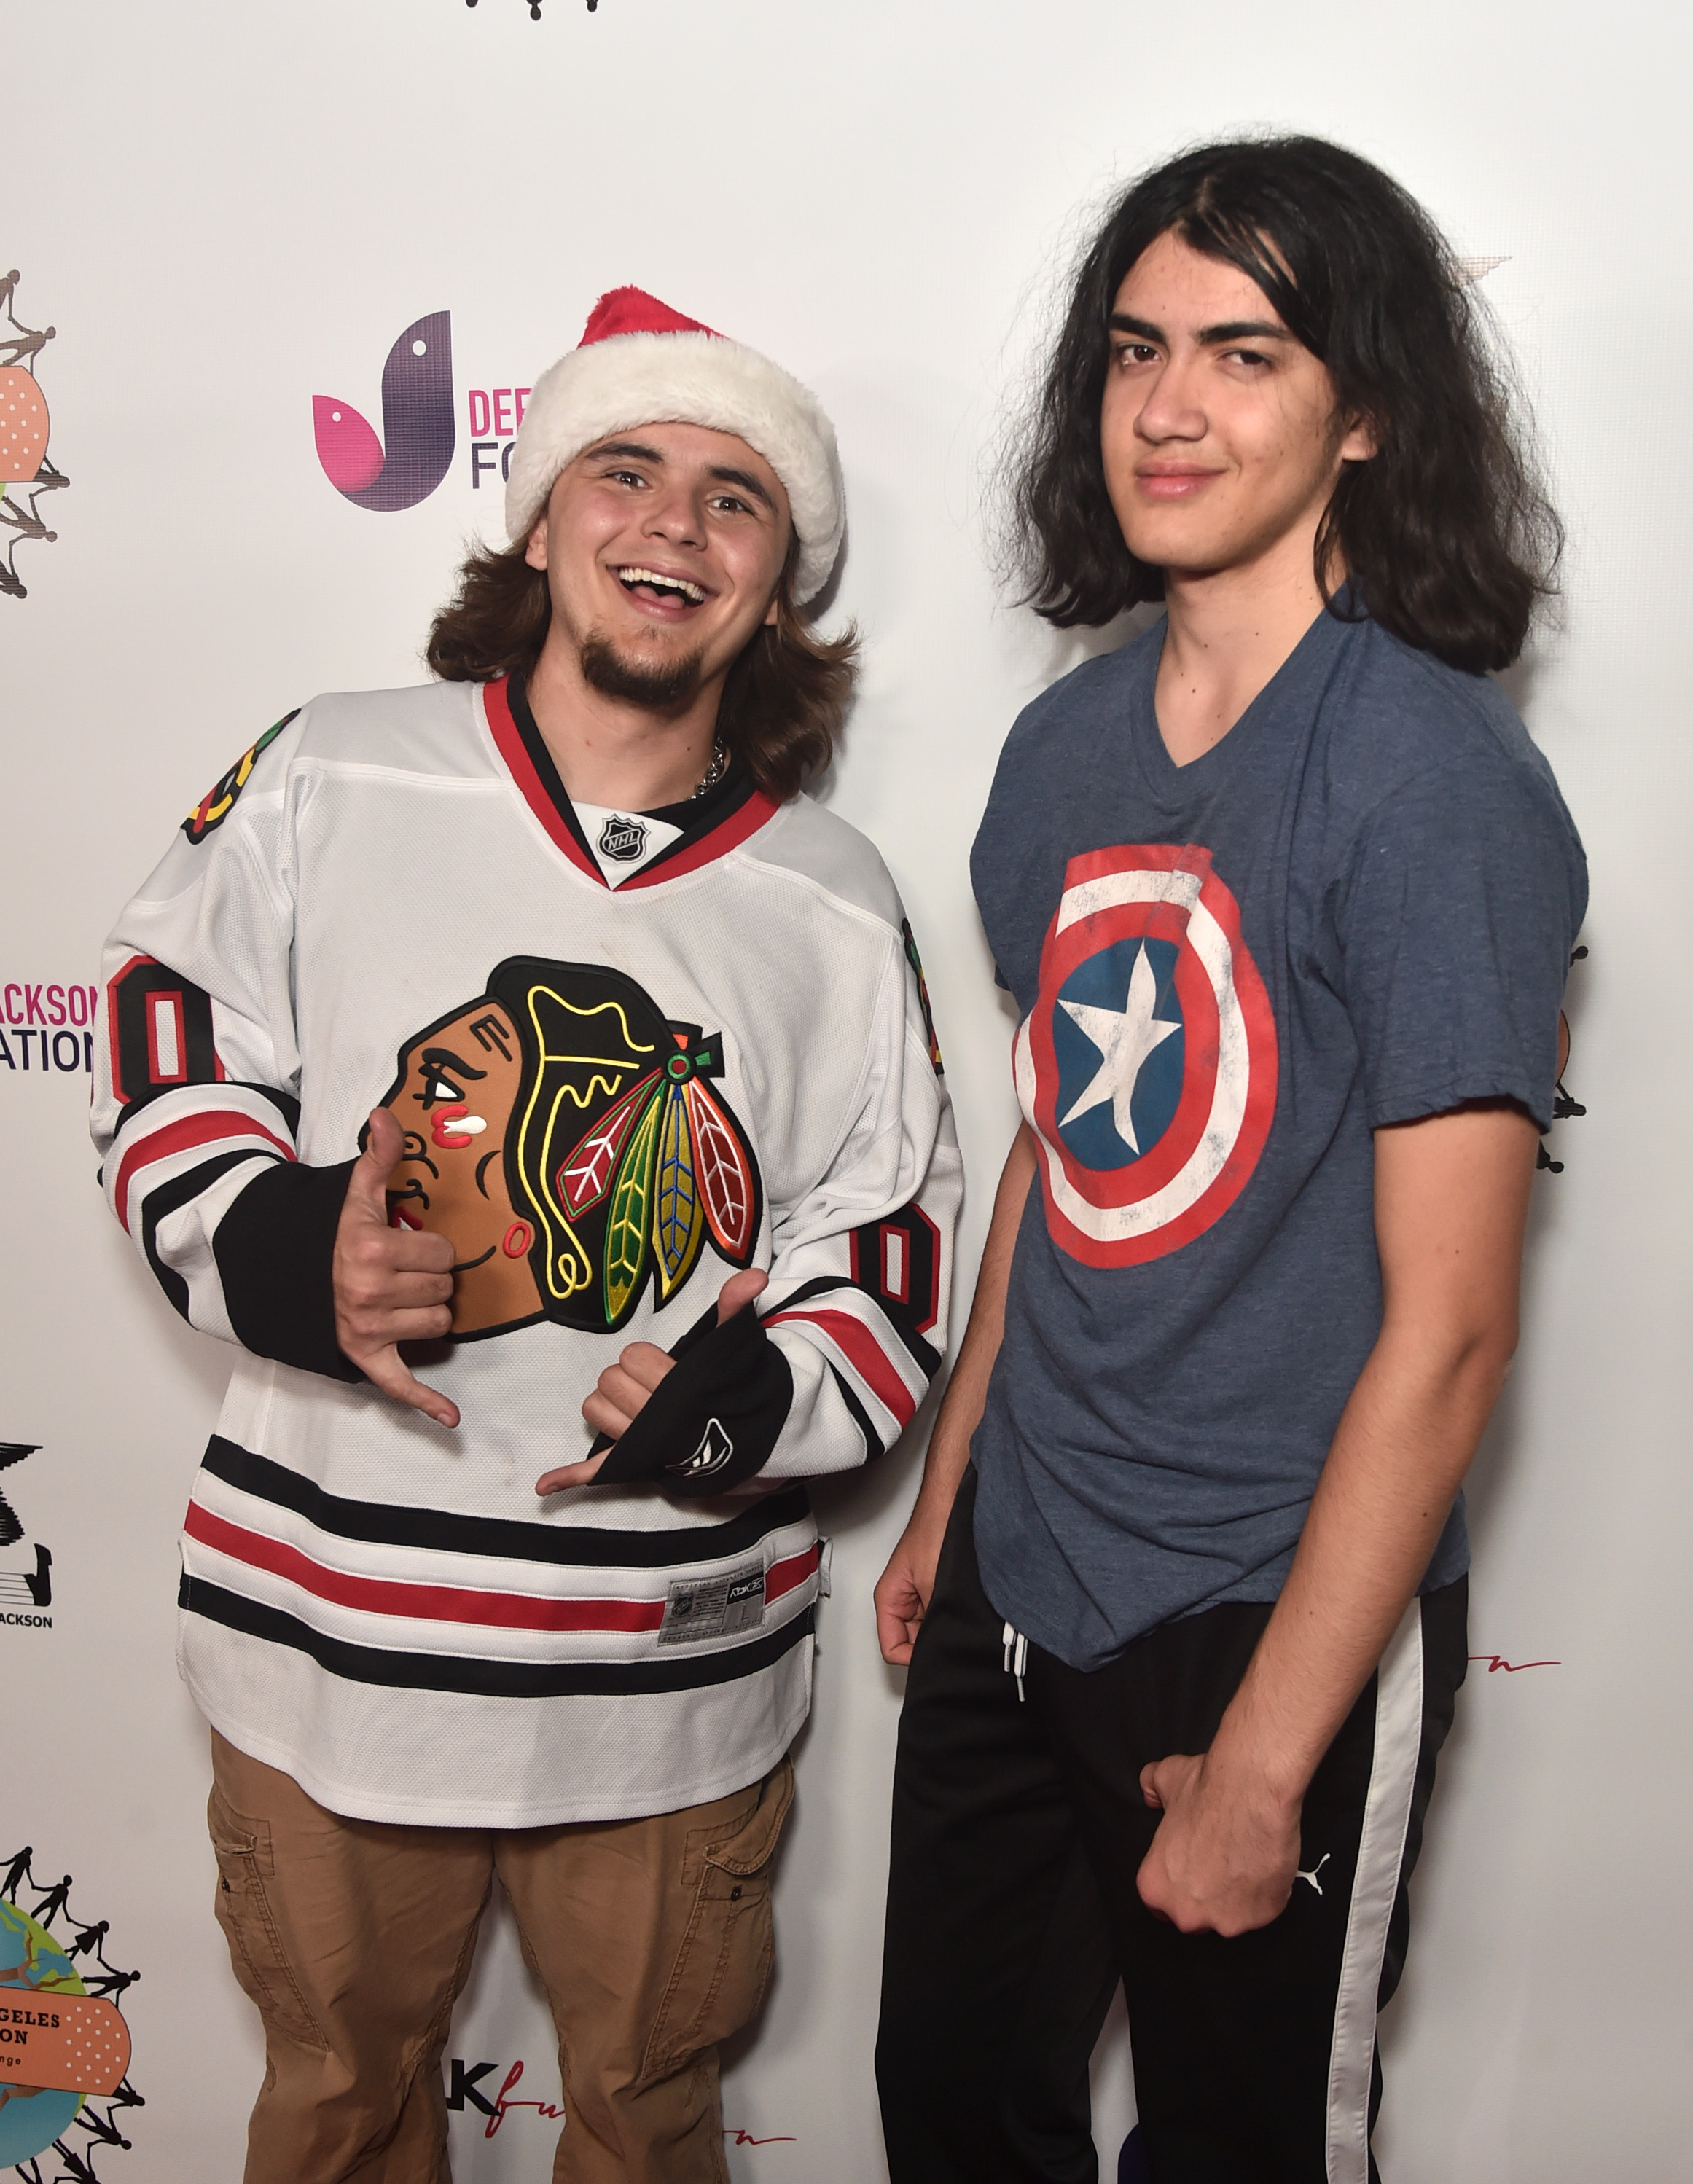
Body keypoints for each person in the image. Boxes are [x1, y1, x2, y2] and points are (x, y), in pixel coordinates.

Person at [93, 285, 959, 2184]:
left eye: (735, 496)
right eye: (624, 470)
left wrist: (754, 1395)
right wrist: (270, 1245)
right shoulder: (333, 765)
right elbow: (166, 1020)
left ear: (777, 581)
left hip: (665, 1673)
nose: (672, 525)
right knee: (338, 2111)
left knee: (646, 2131)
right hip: (328, 1641)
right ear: (543, 520)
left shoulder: (828, 895)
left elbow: (885, 1238)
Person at [874, 136, 1584, 2184]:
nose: (1165, 408)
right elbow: (1059, 1156)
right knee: (955, 2120)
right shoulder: (1059, 754)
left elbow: (1449, 1334)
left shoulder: (1430, 775)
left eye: (1242, 354)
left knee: (1233, 2152)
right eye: (1131, 351)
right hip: (1026, 1567)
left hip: (1266, 1604)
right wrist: (952, 1497)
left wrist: (1272, 1752)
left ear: (1364, 411)